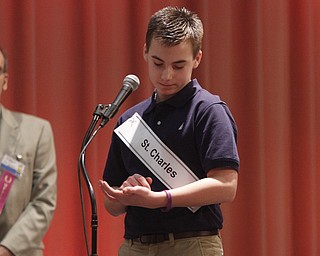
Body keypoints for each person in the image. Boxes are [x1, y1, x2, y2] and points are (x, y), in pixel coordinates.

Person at [99, 6, 239, 256]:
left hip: (191, 244)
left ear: (197, 59)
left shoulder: (208, 111)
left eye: (178, 65)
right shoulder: (130, 120)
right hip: (135, 246)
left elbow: (226, 186)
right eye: (158, 62)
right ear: (145, 51)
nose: (166, 75)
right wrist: (126, 192)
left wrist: (161, 199)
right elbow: (111, 204)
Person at [0, 48, 57, 256]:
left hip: (18, 252)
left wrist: (5, 249)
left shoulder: (36, 131)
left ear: (5, 81)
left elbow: (44, 201)